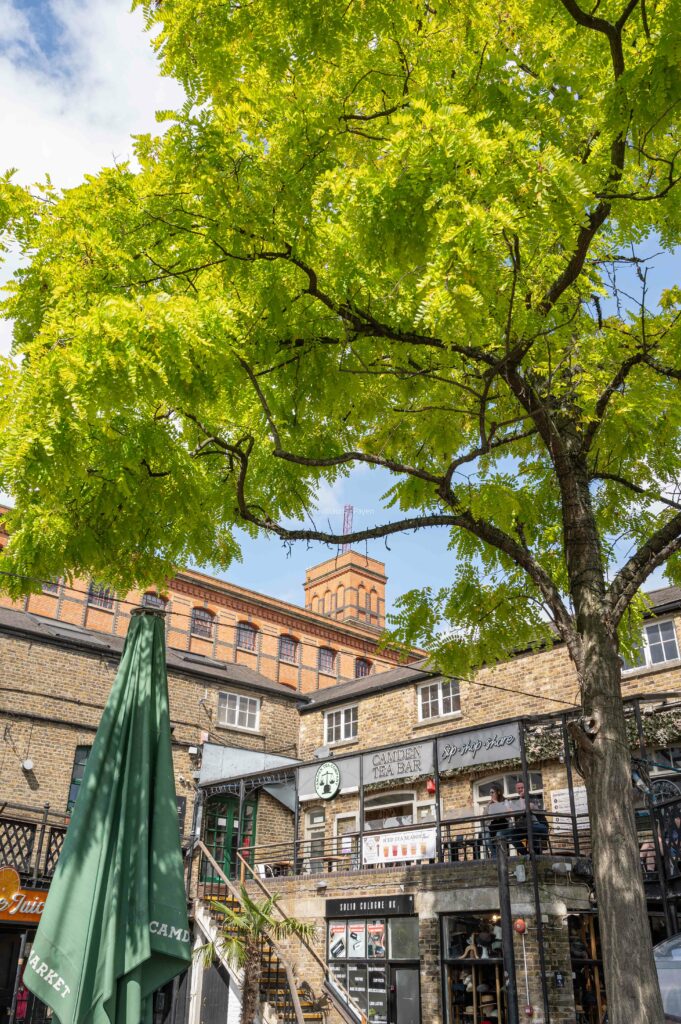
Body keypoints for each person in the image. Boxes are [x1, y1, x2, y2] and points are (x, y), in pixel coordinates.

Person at [497, 781, 549, 854]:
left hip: (539, 826)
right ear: (516, 789)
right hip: (523, 828)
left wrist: (520, 800)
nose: (520, 789)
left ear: (526, 788)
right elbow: (509, 811)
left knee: (531, 831)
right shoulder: (515, 800)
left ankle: (536, 856)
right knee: (512, 837)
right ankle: (526, 855)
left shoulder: (532, 797)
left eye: (522, 787)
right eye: (518, 788)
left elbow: (527, 808)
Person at [484, 784, 509, 858]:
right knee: (487, 838)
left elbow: (507, 812)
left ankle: (502, 856)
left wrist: (497, 803)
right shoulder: (490, 803)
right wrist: (488, 805)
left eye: (492, 792)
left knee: (499, 835)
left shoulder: (505, 801)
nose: (491, 794)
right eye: (490, 793)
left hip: (503, 825)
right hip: (493, 826)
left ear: (498, 792)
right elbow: (484, 815)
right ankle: (495, 855)